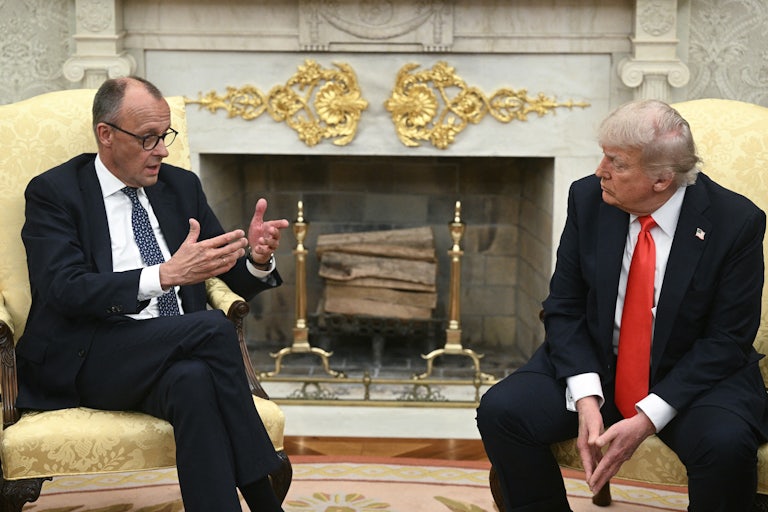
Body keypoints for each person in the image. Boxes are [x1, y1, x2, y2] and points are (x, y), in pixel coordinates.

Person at [477, 99, 768, 511]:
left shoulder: (735, 222)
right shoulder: (588, 199)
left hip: (695, 375)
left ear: (662, 180)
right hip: (599, 361)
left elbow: (727, 339)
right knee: (502, 411)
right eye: (603, 155)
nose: (600, 170)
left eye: (617, 162)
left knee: (725, 444)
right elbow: (564, 305)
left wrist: (648, 416)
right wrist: (585, 395)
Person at [15, 76, 290, 512]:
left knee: (194, 383)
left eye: (164, 136)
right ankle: (264, 494)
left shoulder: (181, 186)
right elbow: (62, 289)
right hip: (91, 355)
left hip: (174, 356)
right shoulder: (55, 193)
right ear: (106, 135)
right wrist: (162, 276)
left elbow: (230, 273)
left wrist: (256, 258)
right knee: (212, 327)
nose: (161, 149)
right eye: (148, 139)